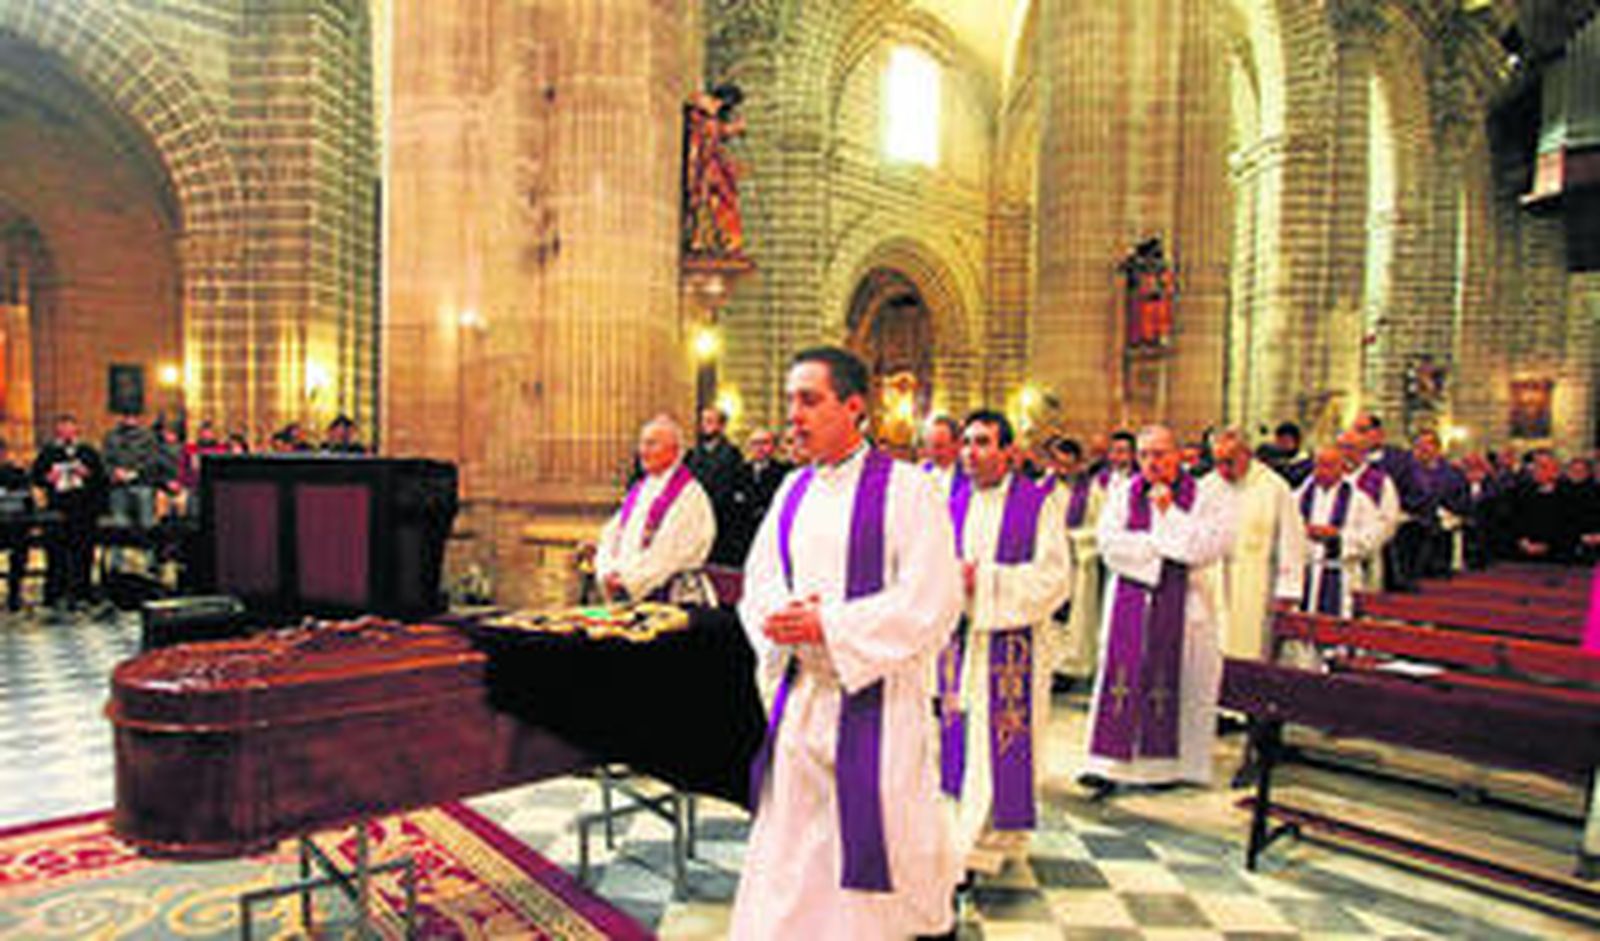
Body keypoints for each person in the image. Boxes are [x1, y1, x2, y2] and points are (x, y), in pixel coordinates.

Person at [734, 346, 962, 939]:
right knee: (795, 862)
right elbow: (759, 583)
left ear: (854, 407)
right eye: (790, 401)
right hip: (801, 701)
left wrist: (829, 626)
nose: (794, 415)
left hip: (877, 708)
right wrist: (779, 620)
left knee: (875, 864)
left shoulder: (909, 491)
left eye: (809, 400)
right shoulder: (791, 492)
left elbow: (933, 600)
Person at [941, 409, 1071, 874]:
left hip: (1013, 642)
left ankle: (987, 837)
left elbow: (1056, 579)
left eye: (981, 443)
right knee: (965, 741)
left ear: (1009, 453)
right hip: (961, 643)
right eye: (967, 443)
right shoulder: (954, 502)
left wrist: (987, 581)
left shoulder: (1039, 504)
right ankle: (969, 834)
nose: (969, 453)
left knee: (999, 741)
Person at [1080, 424, 1235, 795]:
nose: (1152, 463)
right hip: (1128, 603)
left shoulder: (1206, 495)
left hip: (1186, 608)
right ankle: (1109, 763)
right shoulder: (1123, 492)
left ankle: (1169, 766)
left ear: (1178, 455)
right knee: (1120, 680)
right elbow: (1109, 545)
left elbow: (1207, 546)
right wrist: (1163, 551)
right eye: (1145, 455)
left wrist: (1168, 515)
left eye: (1160, 454)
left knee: (1179, 684)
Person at [594, 416, 716, 604]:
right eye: (641, 444)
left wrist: (627, 579)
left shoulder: (689, 495)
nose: (643, 451)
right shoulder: (640, 490)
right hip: (629, 591)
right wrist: (607, 571)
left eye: (651, 444)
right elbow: (610, 535)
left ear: (674, 451)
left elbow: (669, 552)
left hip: (671, 596)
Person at [1210, 428, 1304, 662]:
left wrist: (1288, 589)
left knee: (1250, 648)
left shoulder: (1274, 487)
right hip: (1213, 581)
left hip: (1256, 582)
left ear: (1246, 454)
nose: (1222, 470)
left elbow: (1291, 540)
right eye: (1217, 462)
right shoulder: (1207, 487)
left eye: (1228, 462)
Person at [1043, 437, 1104, 685]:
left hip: (1080, 563)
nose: (1062, 469)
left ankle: (1074, 667)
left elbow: (1102, 528)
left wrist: (1073, 539)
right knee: (1051, 616)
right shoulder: (1042, 488)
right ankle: (1052, 665)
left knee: (1078, 620)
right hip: (1050, 563)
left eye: (1067, 464)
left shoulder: (1093, 490)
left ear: (1079, 463)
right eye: (1057, 463)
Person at [31, 414, 107, 612]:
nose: (66, 433)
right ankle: (56, 593)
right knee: (56, 553)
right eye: (62, 429)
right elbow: (36, 476)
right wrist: (48, 477)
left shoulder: (88, 451)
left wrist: (87, 474)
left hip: (84, 508)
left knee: (84, 552)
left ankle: (83, 591)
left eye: (69, 428)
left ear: (76, 430)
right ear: (58, 431)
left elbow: (101, 477)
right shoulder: (49, 452)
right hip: (58, 508)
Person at [1296, 445, 1382, 618]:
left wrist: (1337, 538)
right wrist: (1303, 532)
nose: (1321, 471)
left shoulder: (1359, 500)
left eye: (1328, 465)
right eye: (1318, 465)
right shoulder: (1298, 496)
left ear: (1342, 468)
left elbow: (1372, 538)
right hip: (1306, 571)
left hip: (1340, 574)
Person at [684, 83, 747, 257]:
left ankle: (716, 240)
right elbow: (709, 134)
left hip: (708, 166)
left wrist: (731, 165)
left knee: (725, 198)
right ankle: (703, 239)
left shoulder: (710, 114)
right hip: (703, 169)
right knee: (716, 199)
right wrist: (733, 129)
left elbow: (714, 141)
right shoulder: (704, 111)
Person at [687, 405, 752, 569]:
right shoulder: (693, 454)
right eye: (703, 421)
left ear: (721, 426)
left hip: (721, 516)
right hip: (696, 515)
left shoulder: (731, 453)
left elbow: (733, 484)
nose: (705, 425)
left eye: (710, 421)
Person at [0, 438, 33, 611]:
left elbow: (27, 502)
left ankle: (14, 592)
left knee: (20, 546)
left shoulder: (17, 474)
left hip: (14, 527)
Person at [918, 415, 963, 499]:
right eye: (930, 446)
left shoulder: (967, 476)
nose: (934, 453)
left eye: (939, 446)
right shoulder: (921, 473)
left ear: (956, 444)